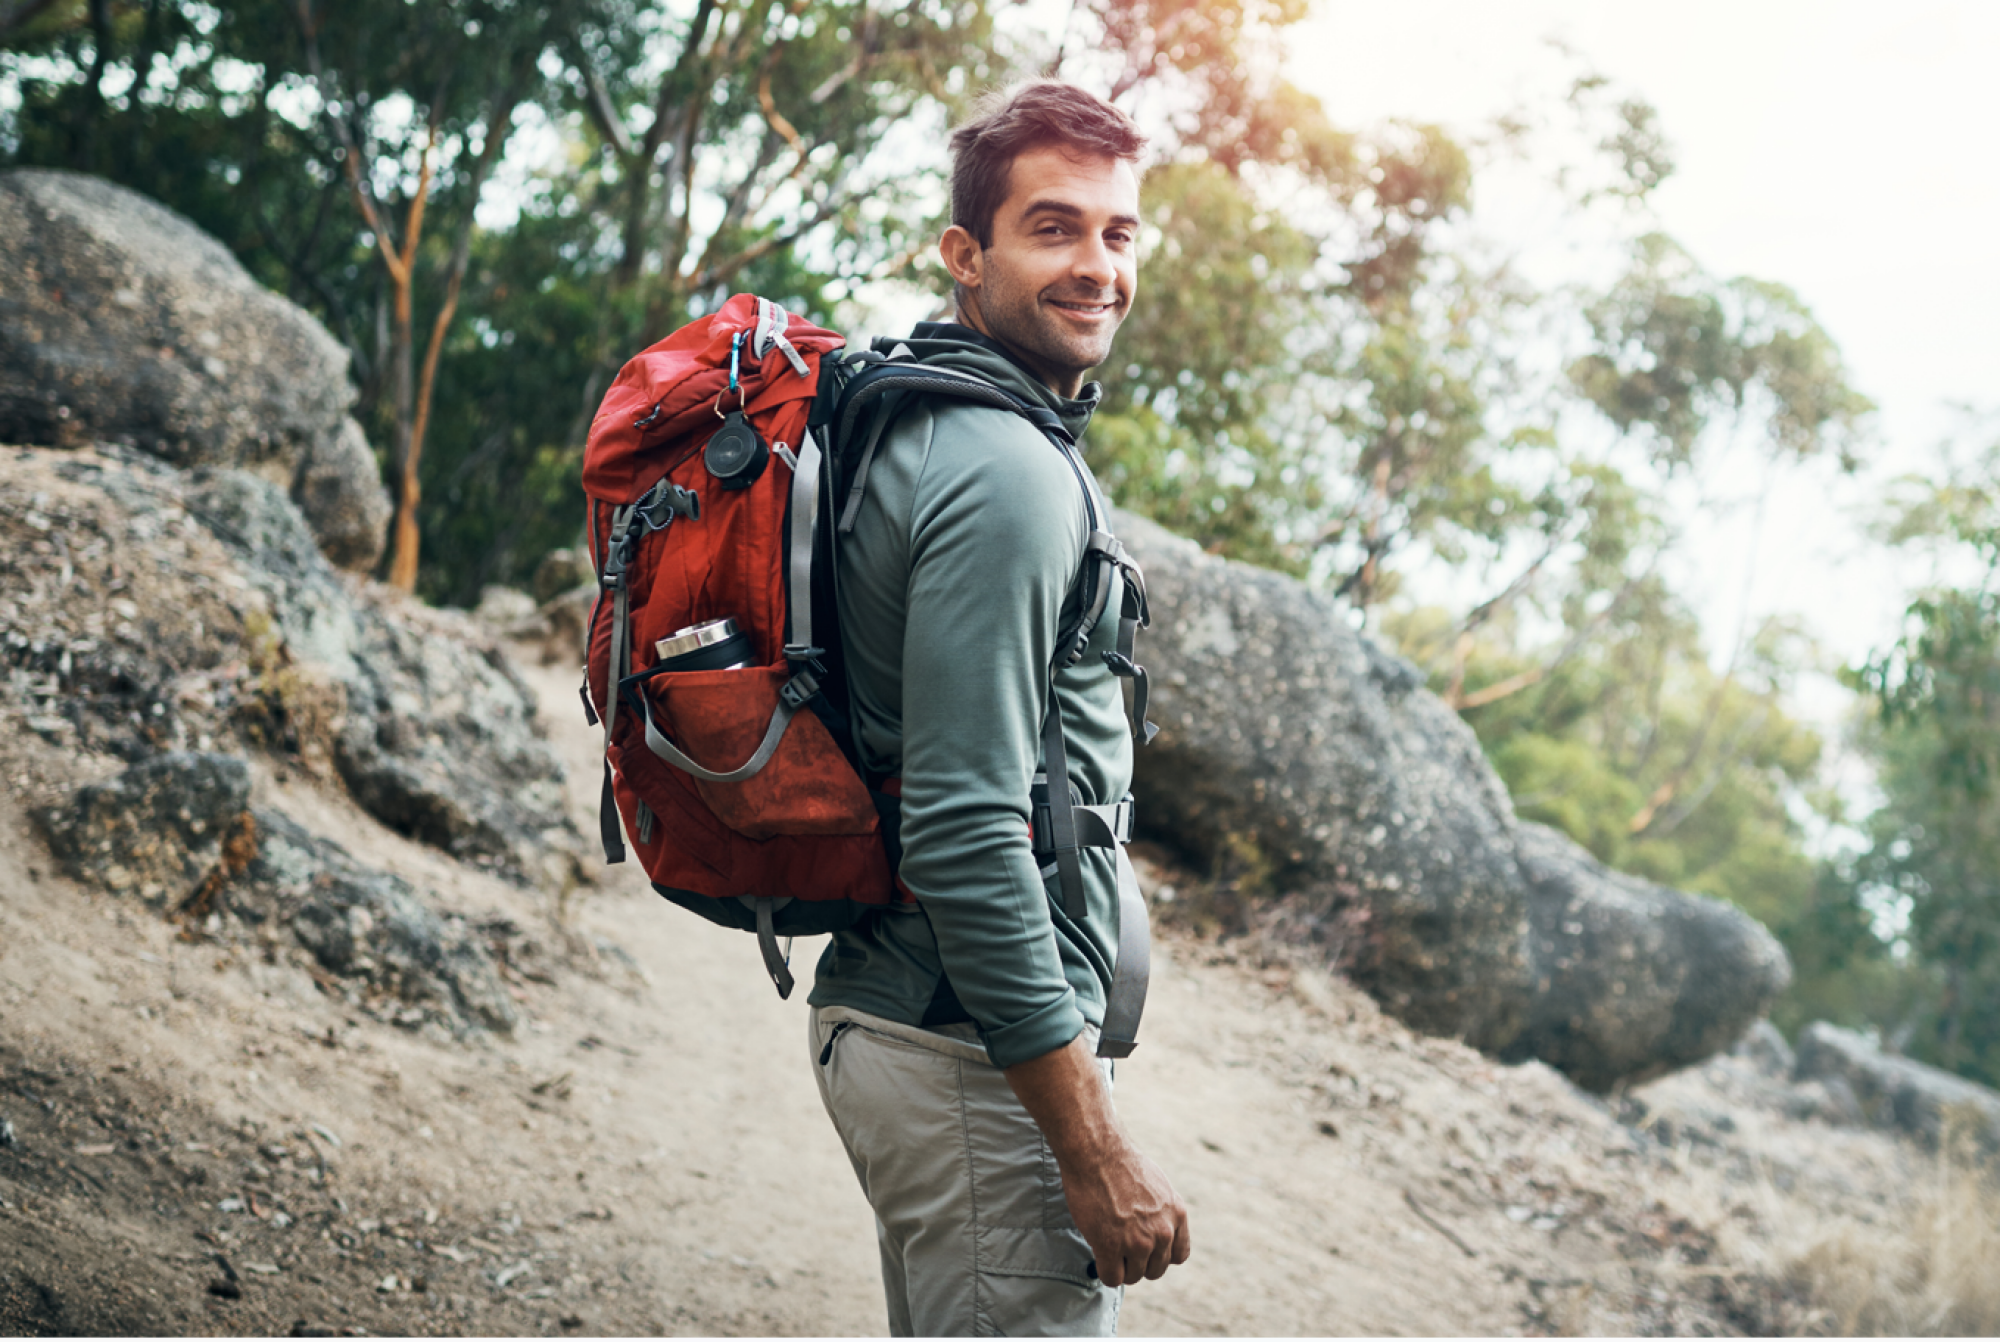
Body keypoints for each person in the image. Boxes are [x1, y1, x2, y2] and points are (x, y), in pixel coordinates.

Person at [805, 80, 1192, 1337]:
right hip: (969, 1058)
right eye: (1053, 227)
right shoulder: (1005, 470)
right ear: (964, 255)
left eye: (1118, 233)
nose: (1097, 267)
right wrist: (1090, 1146)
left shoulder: (931, 418)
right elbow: (965, 832)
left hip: (922, 1027)